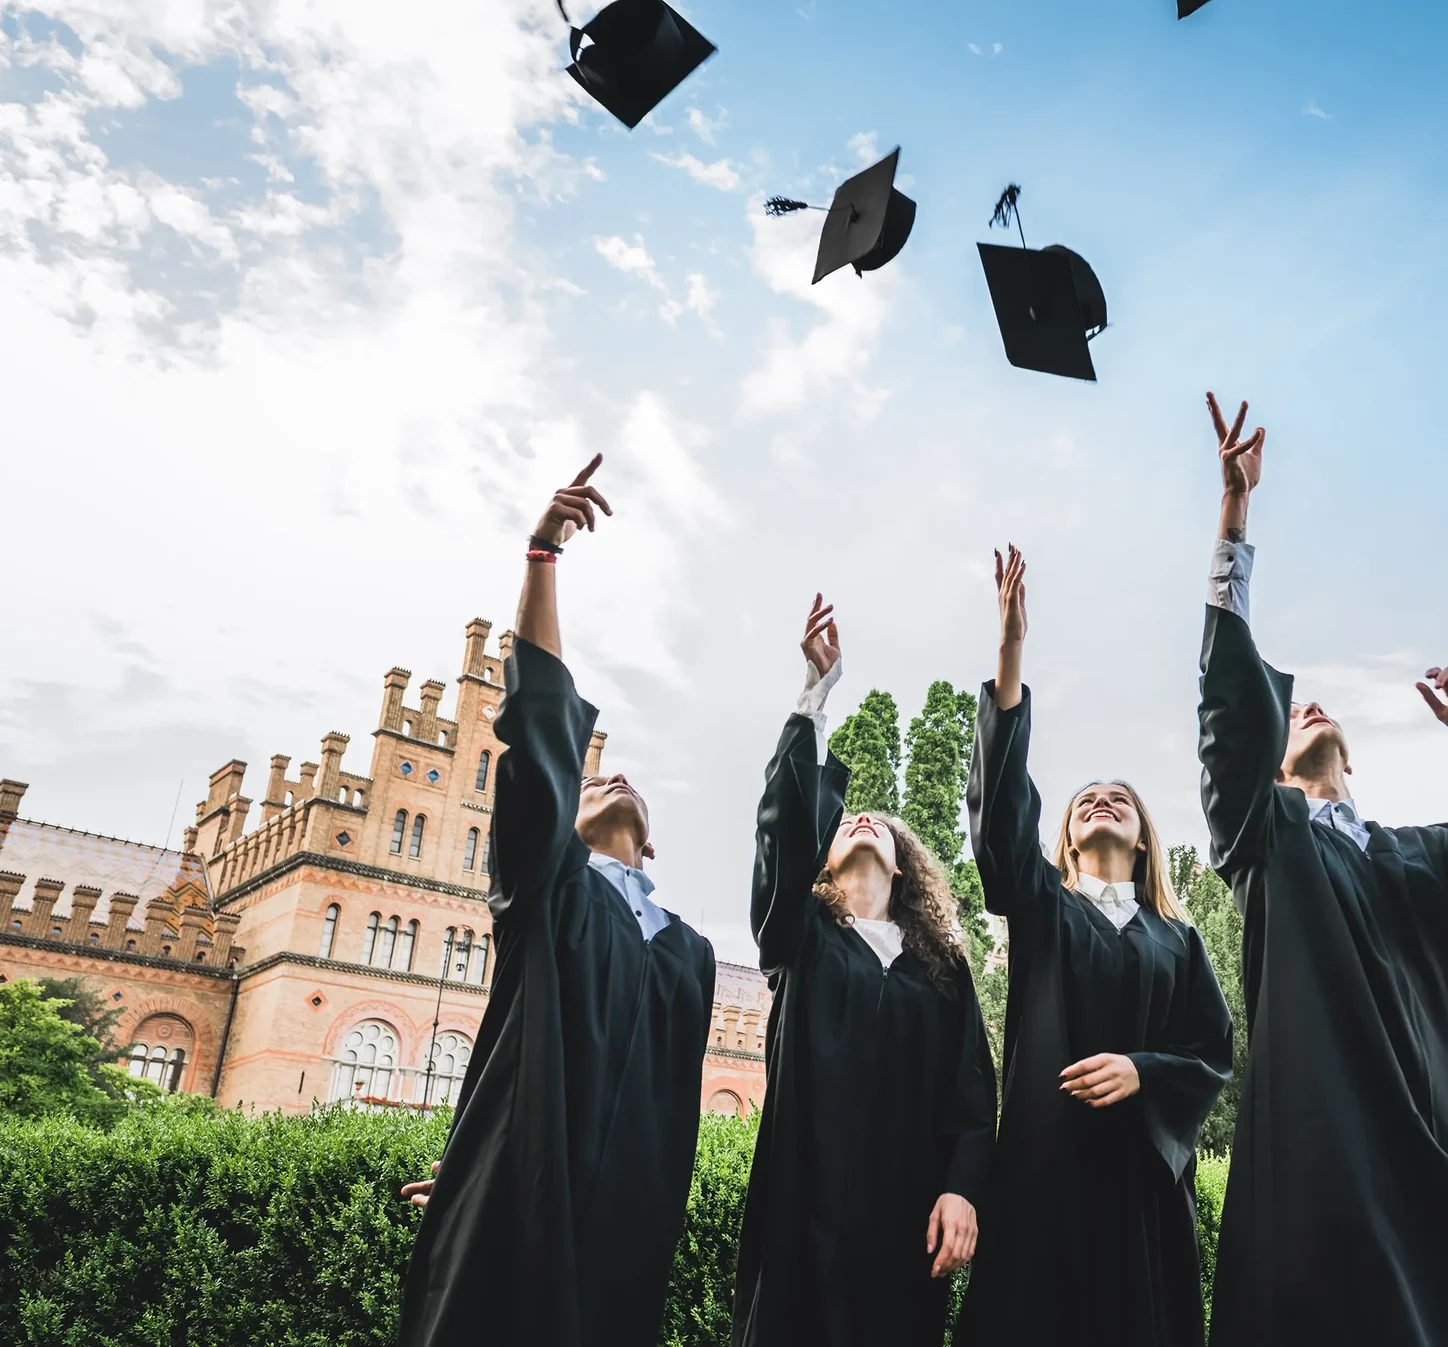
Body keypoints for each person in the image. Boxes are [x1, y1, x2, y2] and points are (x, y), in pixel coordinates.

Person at [1195, 396, 1448, 1347]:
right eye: (1291, 715)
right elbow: (1225, 716)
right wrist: (1233, 527)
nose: (1310, 711)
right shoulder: (1266, 843)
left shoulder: (1426, 854)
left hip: (1442, 1159)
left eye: (1317, 710)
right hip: (1324, 1159)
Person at [398, 456, 717, 1347]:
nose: (609, 775)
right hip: (529, 1200)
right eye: (588, 781)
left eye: (628, 783)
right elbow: (538, 732)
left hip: (627, 1225)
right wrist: (542, 556)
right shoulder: (549, 890)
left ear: (648, 839)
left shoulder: (686, 950)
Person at [955, 547, 1232, 1347]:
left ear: (1145, 839)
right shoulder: (1042, 908)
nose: (1101, 801)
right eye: (1084, 801)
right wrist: (1011, 655)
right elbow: (1002, 820)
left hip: (1142, 1192)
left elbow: (1213, 1051)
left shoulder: (1177, 941)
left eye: (1119, 798)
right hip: (1043, 1177)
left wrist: (1144, 1069)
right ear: (1067, 841)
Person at [731, 595, 997, 1347]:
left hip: (903, 1233)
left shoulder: (940, 968)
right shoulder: (802, 936)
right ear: (819, 859)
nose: (862, 819)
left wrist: (961, 1187)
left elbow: (973, 1102)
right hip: (801, 1220)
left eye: (879, 822)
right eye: (846, 819)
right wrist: (813, 697)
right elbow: (781, 835)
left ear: (907, 868)